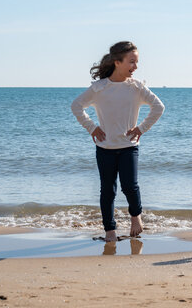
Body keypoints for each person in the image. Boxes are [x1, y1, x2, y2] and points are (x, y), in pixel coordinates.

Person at [71, 41, 165, 242]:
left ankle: (136, 217)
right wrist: (92, 127)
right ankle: (110, 231)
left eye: (137, 62)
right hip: (105, 148)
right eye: (132, 62)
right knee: (108, 190)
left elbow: (158, 107)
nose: (135, 67)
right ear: (117, 62)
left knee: (130, 186)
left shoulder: (137, 87)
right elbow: (77, 106)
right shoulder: (100, 88)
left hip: (129, 147)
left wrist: (141, 128)